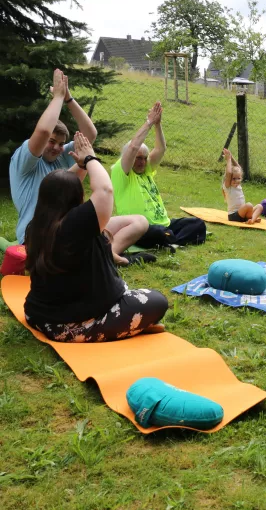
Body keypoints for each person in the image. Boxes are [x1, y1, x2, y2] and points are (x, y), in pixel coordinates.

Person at [23, 132, 169, 343]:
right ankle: (123, 326)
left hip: (37, 315)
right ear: (75, 197)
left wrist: (81, 166)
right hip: (72, 324)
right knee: (157, 301)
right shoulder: (75, 224)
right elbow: (105, 190)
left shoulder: (38, 225)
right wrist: (91, 159)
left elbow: (61, 186)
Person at [9, 69, 149, 265]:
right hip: (39, 235)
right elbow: (42, 131)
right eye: (52, 142)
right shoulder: (26, 161)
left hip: (71, 225)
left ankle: (111, 252)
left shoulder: (62, 158)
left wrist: (68, 99)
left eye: (61, 143)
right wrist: (57, 97)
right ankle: (101, 251)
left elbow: (90, 134)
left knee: (139, 222)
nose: (57, 148)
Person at [111, 101, 206, 248]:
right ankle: (171, 240)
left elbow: (161, 149)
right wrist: (149, 122)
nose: (142, 162)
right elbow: (133, 147)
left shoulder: (147, 169)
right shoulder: (121, 172)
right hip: (141, 228)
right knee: (159, 233)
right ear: (129, 158)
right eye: (138, 158)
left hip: (166, 224)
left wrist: (157, 124)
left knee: (197, 224)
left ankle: (171, 241)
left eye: (144, 158)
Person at [222, 148, 263, 224]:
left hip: (243, 213)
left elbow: (239, 168)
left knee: (259, 206)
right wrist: (228, 160)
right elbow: (229, 173)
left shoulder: (238, 185)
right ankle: (251, 218)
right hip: (234, 216)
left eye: (238, 178)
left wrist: (231, 157)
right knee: (249, 205)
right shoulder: (228, 187)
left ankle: (252, 220)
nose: (236, 181)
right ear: (228, 179)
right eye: (233, 179)